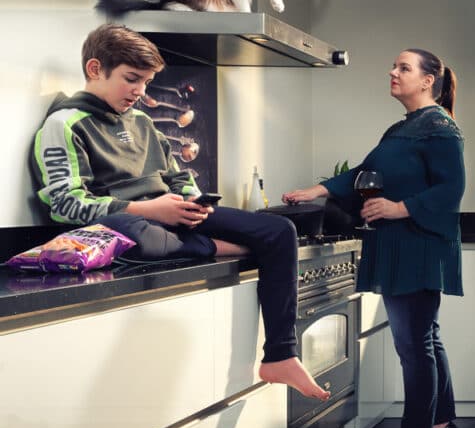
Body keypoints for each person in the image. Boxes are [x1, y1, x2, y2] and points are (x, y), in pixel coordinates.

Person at [32, 23, 328, 400]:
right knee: (136, 234)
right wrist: (149, 209)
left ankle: (281, 355)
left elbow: (178, 176)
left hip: (169, 218)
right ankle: (224, 246)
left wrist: (191, 204)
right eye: (132, 79)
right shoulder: (64, 123)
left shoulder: (141, 121)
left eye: (146, 82)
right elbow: (63, 205)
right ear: (95, 69)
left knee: (279, 231)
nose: (140, 91)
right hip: (126, 222)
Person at [286, 49, 465, 428]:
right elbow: (364, 174)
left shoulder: (440, 127)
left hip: (417, 245)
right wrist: (317, 191)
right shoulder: (403, 127)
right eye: (394, 64)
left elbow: (452, 188)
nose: (392, 71)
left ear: (428, 80)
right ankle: (441, 425)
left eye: (403, 67)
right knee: (426, 339)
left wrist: (399, 208)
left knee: (413, 346)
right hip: (399, 245)